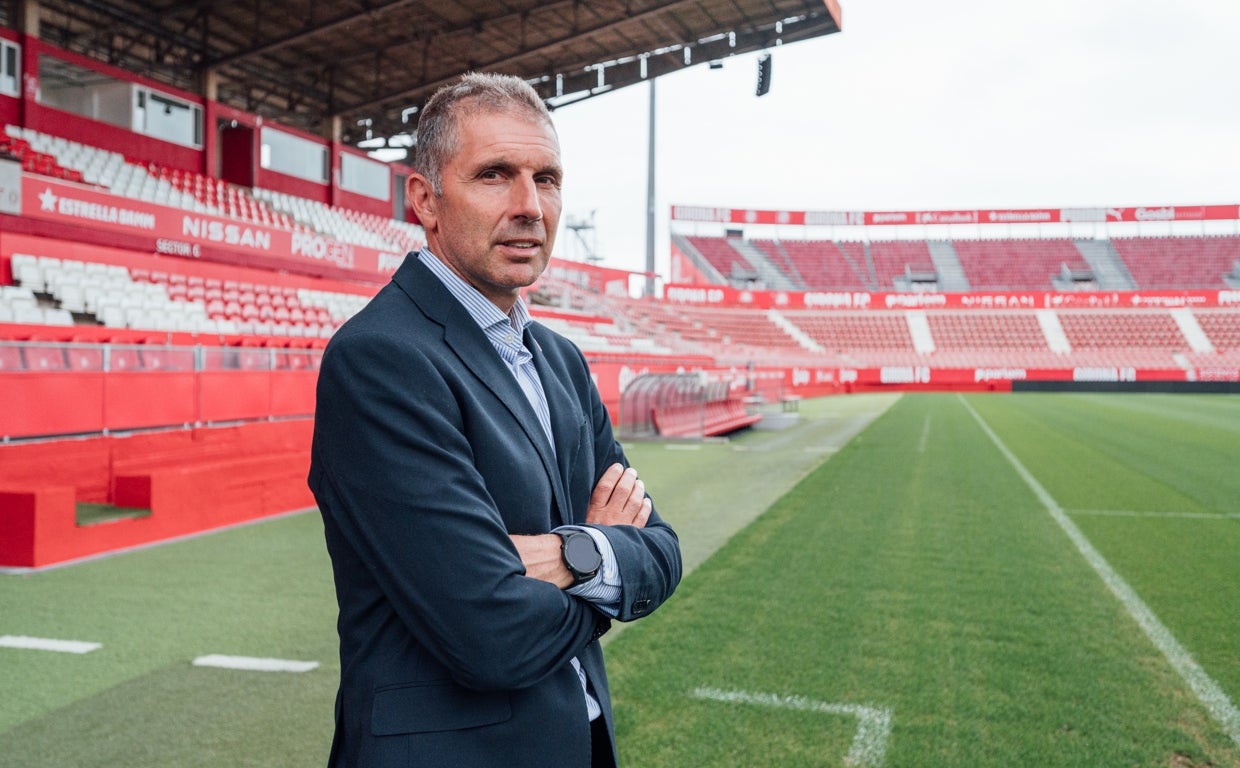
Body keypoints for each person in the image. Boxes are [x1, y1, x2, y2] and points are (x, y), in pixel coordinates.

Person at [308, 71, 682, 768]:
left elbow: (663, 551)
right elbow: (491, 634)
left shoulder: (561, 360)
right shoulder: (381, 358)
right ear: (425, 198)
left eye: (547, 179)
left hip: (579, 744)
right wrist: (607, 558)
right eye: (494, 175)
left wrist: (572, 556)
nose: (529, 205)